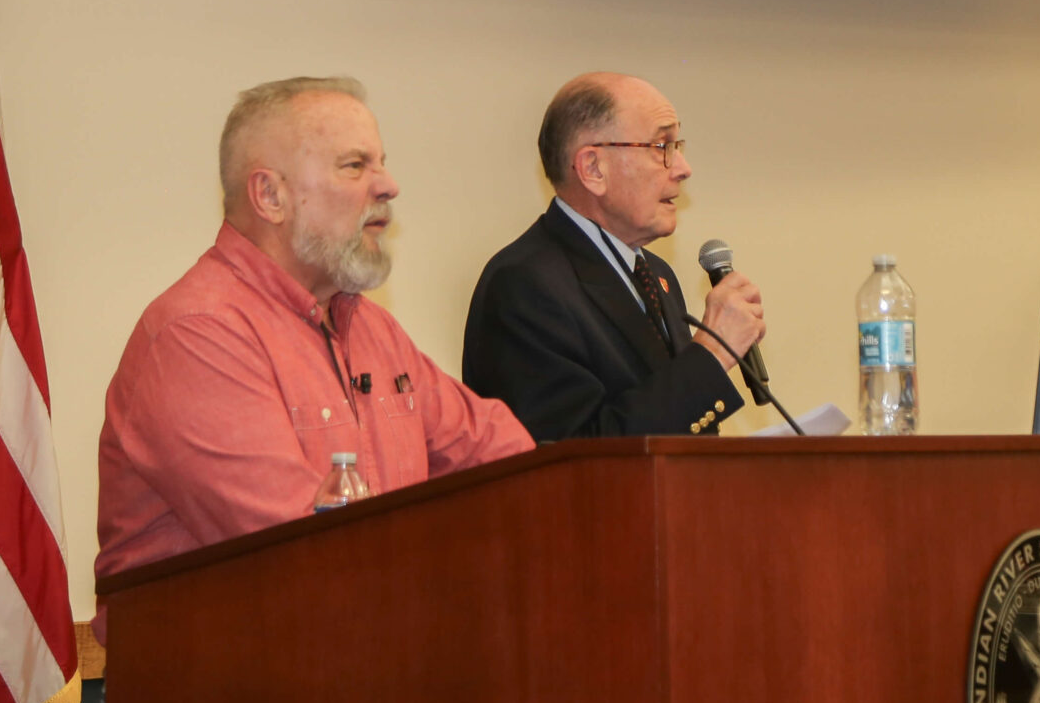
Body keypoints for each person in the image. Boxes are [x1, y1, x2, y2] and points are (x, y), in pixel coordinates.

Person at [95, 76, 531, 602]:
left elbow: (507, 461)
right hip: (236, 651)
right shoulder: (196, 336)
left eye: (381, 163)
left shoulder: (370, 327)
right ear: (270, 196)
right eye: (355, 165)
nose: (389, 185)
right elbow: (301, 552)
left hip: (381, 636)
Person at [462, 73, 766, 441]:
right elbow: (574, 456)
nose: (684, 169)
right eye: (661, 146)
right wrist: (712, 353)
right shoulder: (523, 285)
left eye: (677, 146)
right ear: (593, 169)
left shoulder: (656, 274)